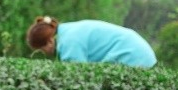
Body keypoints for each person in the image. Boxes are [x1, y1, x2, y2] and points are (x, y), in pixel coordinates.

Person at [26, 16, 157, 67]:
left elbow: (78, 78)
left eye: (41, 49)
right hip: (140, 50)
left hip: (132, 54)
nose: (44, 53)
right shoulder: (68, 31)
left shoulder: (69, 43)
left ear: (49, 41)